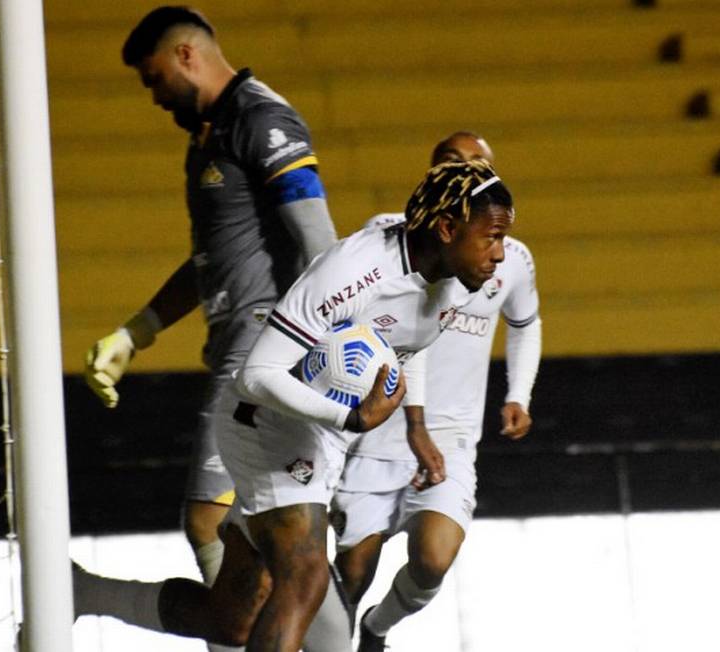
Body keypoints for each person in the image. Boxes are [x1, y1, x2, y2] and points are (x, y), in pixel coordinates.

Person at [73, 159, 515, 652]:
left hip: (320, 440)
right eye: (492, 237)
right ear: (448, 227)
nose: (500, 254)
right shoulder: (355, 270)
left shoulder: (456, 283)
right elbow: (257, 375)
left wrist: (411, 424)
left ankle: (86, 591)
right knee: (306, 580)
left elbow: (404, 345)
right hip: (267, 429)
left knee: (233, 623)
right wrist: (351, 416)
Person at [81, 4, 337, 619]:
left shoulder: (262, 118)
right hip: (235, 348)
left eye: (153, 80)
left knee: (212, 523)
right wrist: (137, 331)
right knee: (277, 548)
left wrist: (318, 348)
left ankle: (90, 595)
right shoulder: (208, 139)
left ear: (185, 57)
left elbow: (319, 242)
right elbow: (210, 261)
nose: (153, 97)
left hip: (263, 350)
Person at [333, 133, 543, 652]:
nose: (467, 172)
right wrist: (411, 424)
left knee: (433, 558)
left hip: (448, 436)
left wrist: (519, 393)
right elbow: (413, 334)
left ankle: (377, 630)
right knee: (350, 577)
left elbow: (526, 322)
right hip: (377, 429)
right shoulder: (390, 236)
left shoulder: (508, 256)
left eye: (479, 164)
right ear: (431, 175)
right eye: (453, 162)